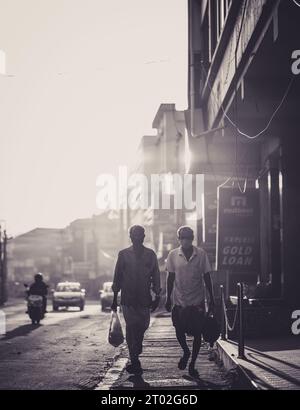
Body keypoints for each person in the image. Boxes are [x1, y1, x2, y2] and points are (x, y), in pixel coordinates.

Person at [165, 226, 215, 378]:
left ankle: (192, 363)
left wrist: (211, 298)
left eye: (188, 237)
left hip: (197, 301)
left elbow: (207, 277)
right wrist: (168, 298)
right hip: (179, 301)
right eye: (183, 237)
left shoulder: (201, 254)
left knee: (198, 333)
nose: (186, 240)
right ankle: (186, 352)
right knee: (179, 330)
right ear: (179, 239)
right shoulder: (173, 255)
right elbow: (170, 278)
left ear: (192, 239)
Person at [111, 225, 161, 375]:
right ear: (130, 237)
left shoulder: (151, 255)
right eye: (134, 235)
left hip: (145, 299)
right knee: (131, 327)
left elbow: (156, 276)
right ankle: (135, 360)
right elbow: (117, 277)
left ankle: (137, 345)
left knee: (143, 326)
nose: (137, 237)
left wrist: (157, 296)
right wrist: (115, 299)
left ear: (144, 237)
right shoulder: (123, 254)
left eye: (140, 235)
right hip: (128, 299)